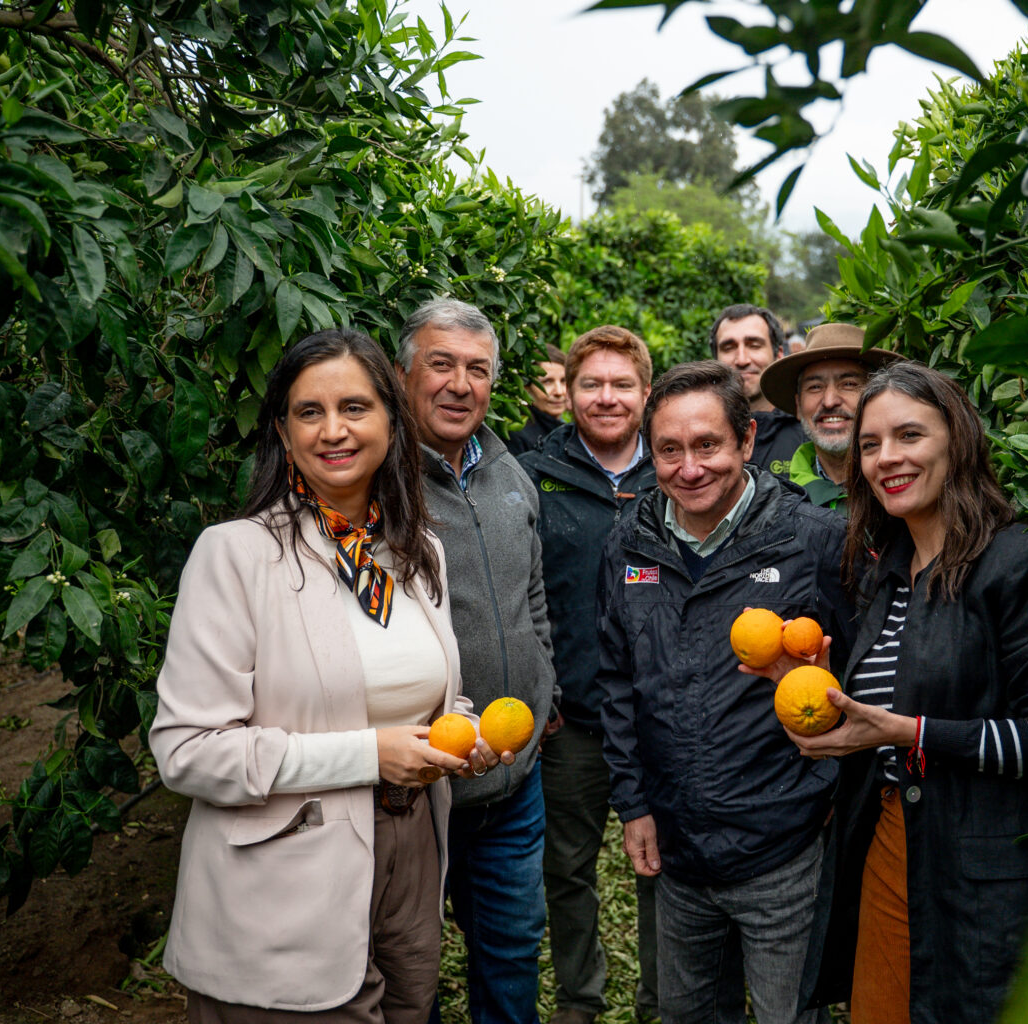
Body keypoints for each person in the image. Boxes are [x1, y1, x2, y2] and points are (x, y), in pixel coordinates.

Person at [150, 328, 507, 1023]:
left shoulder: (417, 551)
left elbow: (428, 692)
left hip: (411, 849)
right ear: (283, 434)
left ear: (391, 422)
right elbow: (187, 751)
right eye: (309, 412)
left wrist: (457, 729)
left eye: (354, 407)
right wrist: (372, 754)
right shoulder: (236, 557)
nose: (333, 430)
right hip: (284, 875)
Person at [764, 362, 1028, 1024]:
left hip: (995, 868)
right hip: (896, 848)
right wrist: (820, 704)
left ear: (958, 440)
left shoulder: (1022, 560)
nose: (887, 458)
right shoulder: (885, 575)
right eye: (870, 444)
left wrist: (907, 733)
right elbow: (883, 721)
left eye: (909, 436)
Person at [596, 361, 853, 1024]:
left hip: (784, 847)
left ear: (745, 441)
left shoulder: (812, 542)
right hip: (679, 850)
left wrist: (829, 787)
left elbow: (861, 677)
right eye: (669, 451)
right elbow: (619, 682)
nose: (689, 469)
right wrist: (634, 806)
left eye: (708, 445)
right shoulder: (630, 544)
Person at [397, 298, 560, 1024]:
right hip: (416, 791)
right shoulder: (377, 481)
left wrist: (542, 687)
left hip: (512, 781)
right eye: (441, 365)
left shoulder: (509, 472)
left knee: (512, 950)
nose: (460, 384)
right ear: (404, 375)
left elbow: (534, 597)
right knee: (411, 962)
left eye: (478, 369)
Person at [516, 326, 660, 1024]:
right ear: (567, 394)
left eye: (621, 384)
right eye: (591, 385)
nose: (607, 397)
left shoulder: (675, 472)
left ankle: (661, 996)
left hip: (661, 716)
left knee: (660, 864)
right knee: (567, 868)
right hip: (573, 716)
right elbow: (523, 597)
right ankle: (580, 996)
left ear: (646, 394)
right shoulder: (535, 476)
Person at [757, 322, 901, 513]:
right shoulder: (776, 503)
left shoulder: (906, 489)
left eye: (848, 384)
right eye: (815, 387)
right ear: (799, 406)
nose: (830, 401)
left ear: (877, 398)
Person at [709, 303, 804, 480]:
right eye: (729, 348)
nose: (742, 359)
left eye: (754, 345)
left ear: (779, 354)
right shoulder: (700, 429)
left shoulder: (807, 429)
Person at [506, 343, 569, 457]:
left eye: (564, 381)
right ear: (527, 388)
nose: (559, 392)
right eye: (547, 382)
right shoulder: (518, 436)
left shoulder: (567, 429)